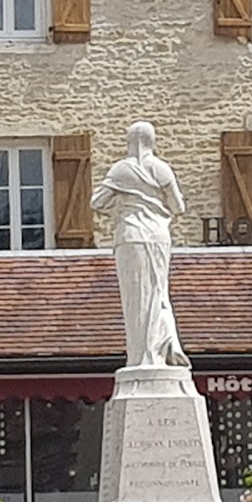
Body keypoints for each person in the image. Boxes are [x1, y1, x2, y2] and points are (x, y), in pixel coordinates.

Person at [91, 121, 191, 369]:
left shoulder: (121, 170)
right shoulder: (161, 169)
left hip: (130, 235)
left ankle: (142, 355)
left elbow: (97, 202)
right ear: (152, 141)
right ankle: (160, 350)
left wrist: (121, 208)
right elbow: (178, 207)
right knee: (157, 291)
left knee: (135, 297)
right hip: (157, 235)